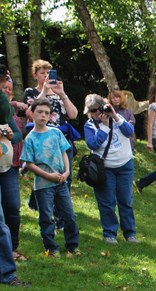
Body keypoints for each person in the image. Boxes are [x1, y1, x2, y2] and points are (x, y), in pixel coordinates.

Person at [23, 59, 80, 229]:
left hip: (60, 139)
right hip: (40, 139)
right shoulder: (31, 92)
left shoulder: (59, 92)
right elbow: (28, 112)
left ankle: (62, 218)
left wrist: (61, 94)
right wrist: (44, 92)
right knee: (45, 176)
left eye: (49, 73)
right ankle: (44, 212)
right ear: (35, 75)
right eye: (42, 73)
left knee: (64, 178)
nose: (46, 76)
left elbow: (74, 114)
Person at [20, 98, 80, 257]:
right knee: (46, 218)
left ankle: (73, 246)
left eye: (46, 113)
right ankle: (51, 248)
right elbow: (30, 164)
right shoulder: (30, 139)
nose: (43, 116)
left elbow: (64, 153)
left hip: (61, 182)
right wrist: (48, 175)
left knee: (69, 215)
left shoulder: (56, 132)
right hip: (42, 185)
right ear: (32, 114)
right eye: (39, 112)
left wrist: (67, 172)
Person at [83, 94, 139, 245]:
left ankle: (130, 233)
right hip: (105, 169)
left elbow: (129, 132)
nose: (96, 113)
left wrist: (114, 116)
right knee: (107, 202)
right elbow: (93, 144)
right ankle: (109, 233)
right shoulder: (89, 125)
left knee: (125, 200)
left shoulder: (117, 118)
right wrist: (104, 127)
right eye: (92, 111)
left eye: (98, 109)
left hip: (125, 165)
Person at [0, 71, 27, 261]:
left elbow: (18, 136)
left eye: (8, 90)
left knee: (12, 205)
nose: (6, 92)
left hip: (8, 167)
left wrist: (10, 135)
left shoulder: (7, 113)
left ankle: (13, 247)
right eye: (4, 88)